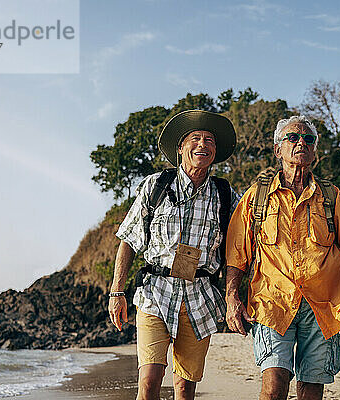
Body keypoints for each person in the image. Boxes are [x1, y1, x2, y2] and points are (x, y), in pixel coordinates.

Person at [225, 115, 340, 400]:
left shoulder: (331, 196)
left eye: (308, 139)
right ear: (278, 149)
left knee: (312, 388)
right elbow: (236, 255)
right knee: (274, 382)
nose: (301, 142)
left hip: (324, 304)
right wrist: (232, 297)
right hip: (272, 301)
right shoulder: (256, 196)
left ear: (315, 151)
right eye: (292, 137)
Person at [108, 110, 239, 400]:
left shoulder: (226, 194)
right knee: (149, 381)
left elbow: (244, 245)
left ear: (215, 152)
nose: (202, 145)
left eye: (209, 141)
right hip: (156, 292)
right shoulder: (155, 185)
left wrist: (236, 295)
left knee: (184, 388)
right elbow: (129, 240)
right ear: (180, 148)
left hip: (200, 296)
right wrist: (116, 291)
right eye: (195, 138)